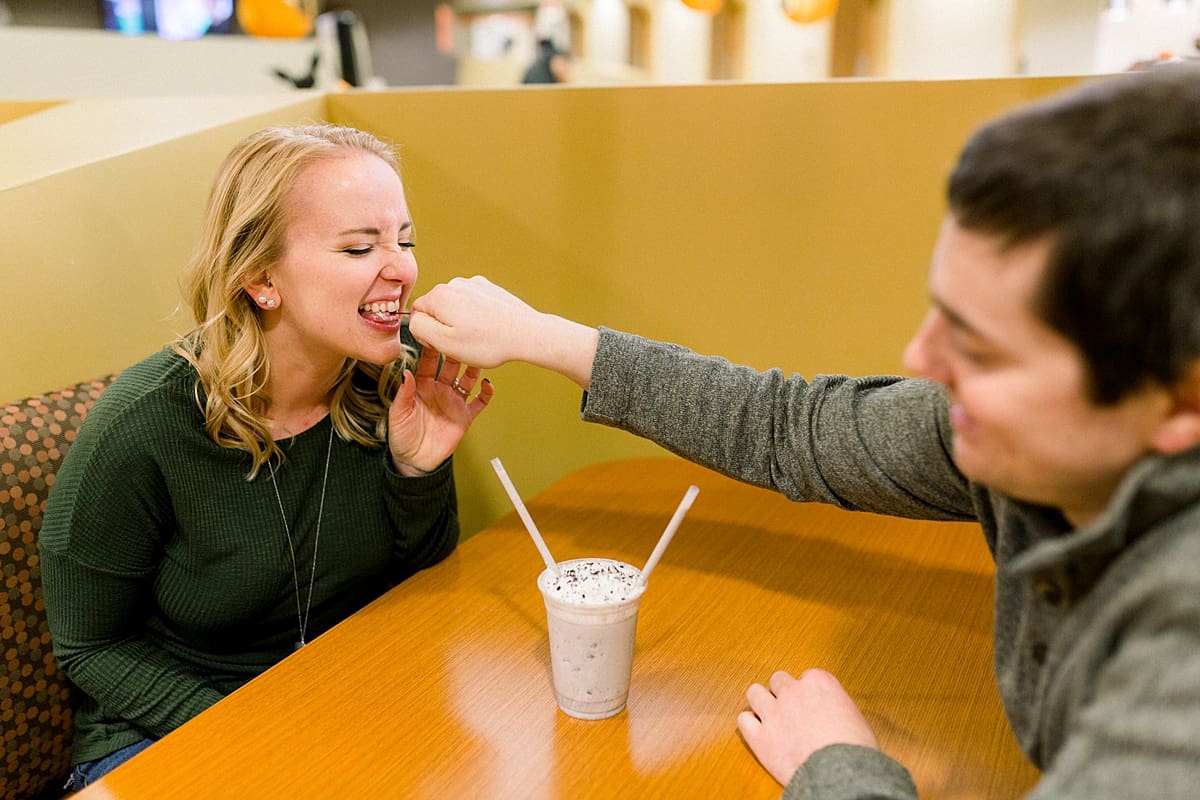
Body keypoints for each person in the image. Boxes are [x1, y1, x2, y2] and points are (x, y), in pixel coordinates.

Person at [407, 64, 1200, 799]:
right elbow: (793, 427)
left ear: (1179, 400)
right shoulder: (1017, 443)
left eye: (982, 347)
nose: (919, 359)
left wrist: (841, 770)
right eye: (939, 313)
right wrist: (541, 336)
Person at [40, 123, 493, 789]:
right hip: (165, 731)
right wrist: (258, 731)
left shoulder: (391, 387)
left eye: (404, 239)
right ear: (260, 280)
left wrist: (418, 471)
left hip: (330, 715)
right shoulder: (146, 422)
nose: (400, 268)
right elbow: (90, 644)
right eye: (360, 246)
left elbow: (421, 580)